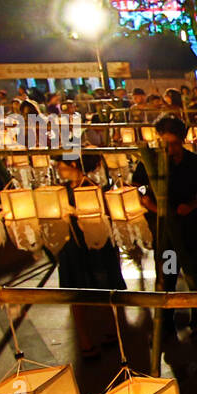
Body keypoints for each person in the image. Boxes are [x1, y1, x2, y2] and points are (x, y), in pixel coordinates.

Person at [131, 114, 197, 341]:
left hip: (192, 232)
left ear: (182, 140)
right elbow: (139, 187)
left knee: (196, 276)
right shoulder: (149, 162)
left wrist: (191, 205)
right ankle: (165, 321)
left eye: (174, 144)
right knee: (168, 274)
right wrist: (148, 202)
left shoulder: (195, 163)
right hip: (166, 233)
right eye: (164, 143)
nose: (169, 149)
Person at [54, 154, 126, 359]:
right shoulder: (62, 191)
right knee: (75, 292)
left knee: (102, 288)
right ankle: (85, 341)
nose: (59, 170)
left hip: (94, 248)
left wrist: (75, 213)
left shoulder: (91, 189)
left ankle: (111, 330)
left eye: (61, 166)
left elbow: (102, 217)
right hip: (72, 247)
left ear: (73, 165)